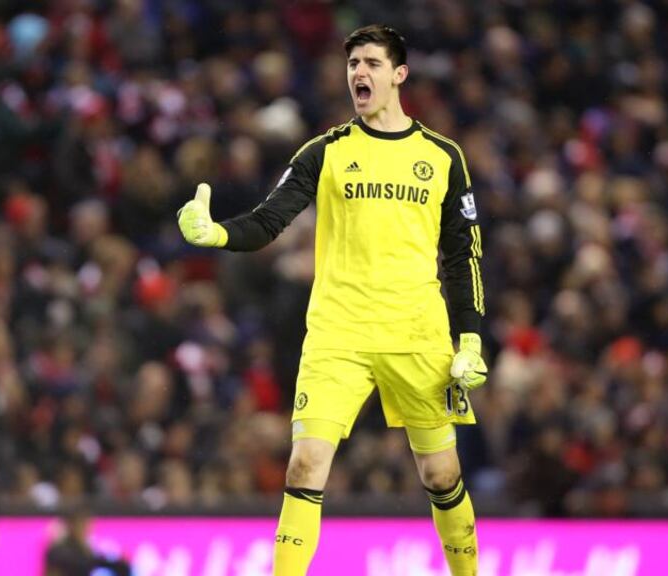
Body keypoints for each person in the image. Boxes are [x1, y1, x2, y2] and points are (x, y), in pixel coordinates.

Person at [177, 24, 487, 576]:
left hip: (416, 333)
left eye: (371, 63)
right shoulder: (325, 152)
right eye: (352, 65)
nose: (359, 74)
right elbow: (270, 220)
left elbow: (463, 255)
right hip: (337, 333)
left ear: (399, 74)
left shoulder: (443, 157)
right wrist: (218, 233)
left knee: (441, 475)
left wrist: (470, 337)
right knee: (304, 464)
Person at [44, 506, 131, 576]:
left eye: (88, 523)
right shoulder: (59, 550)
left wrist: (121, 560)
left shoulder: (86, 549)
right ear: (71, 525)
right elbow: (81, 564)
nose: (86, 527)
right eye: (82, 523)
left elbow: (118, 567)